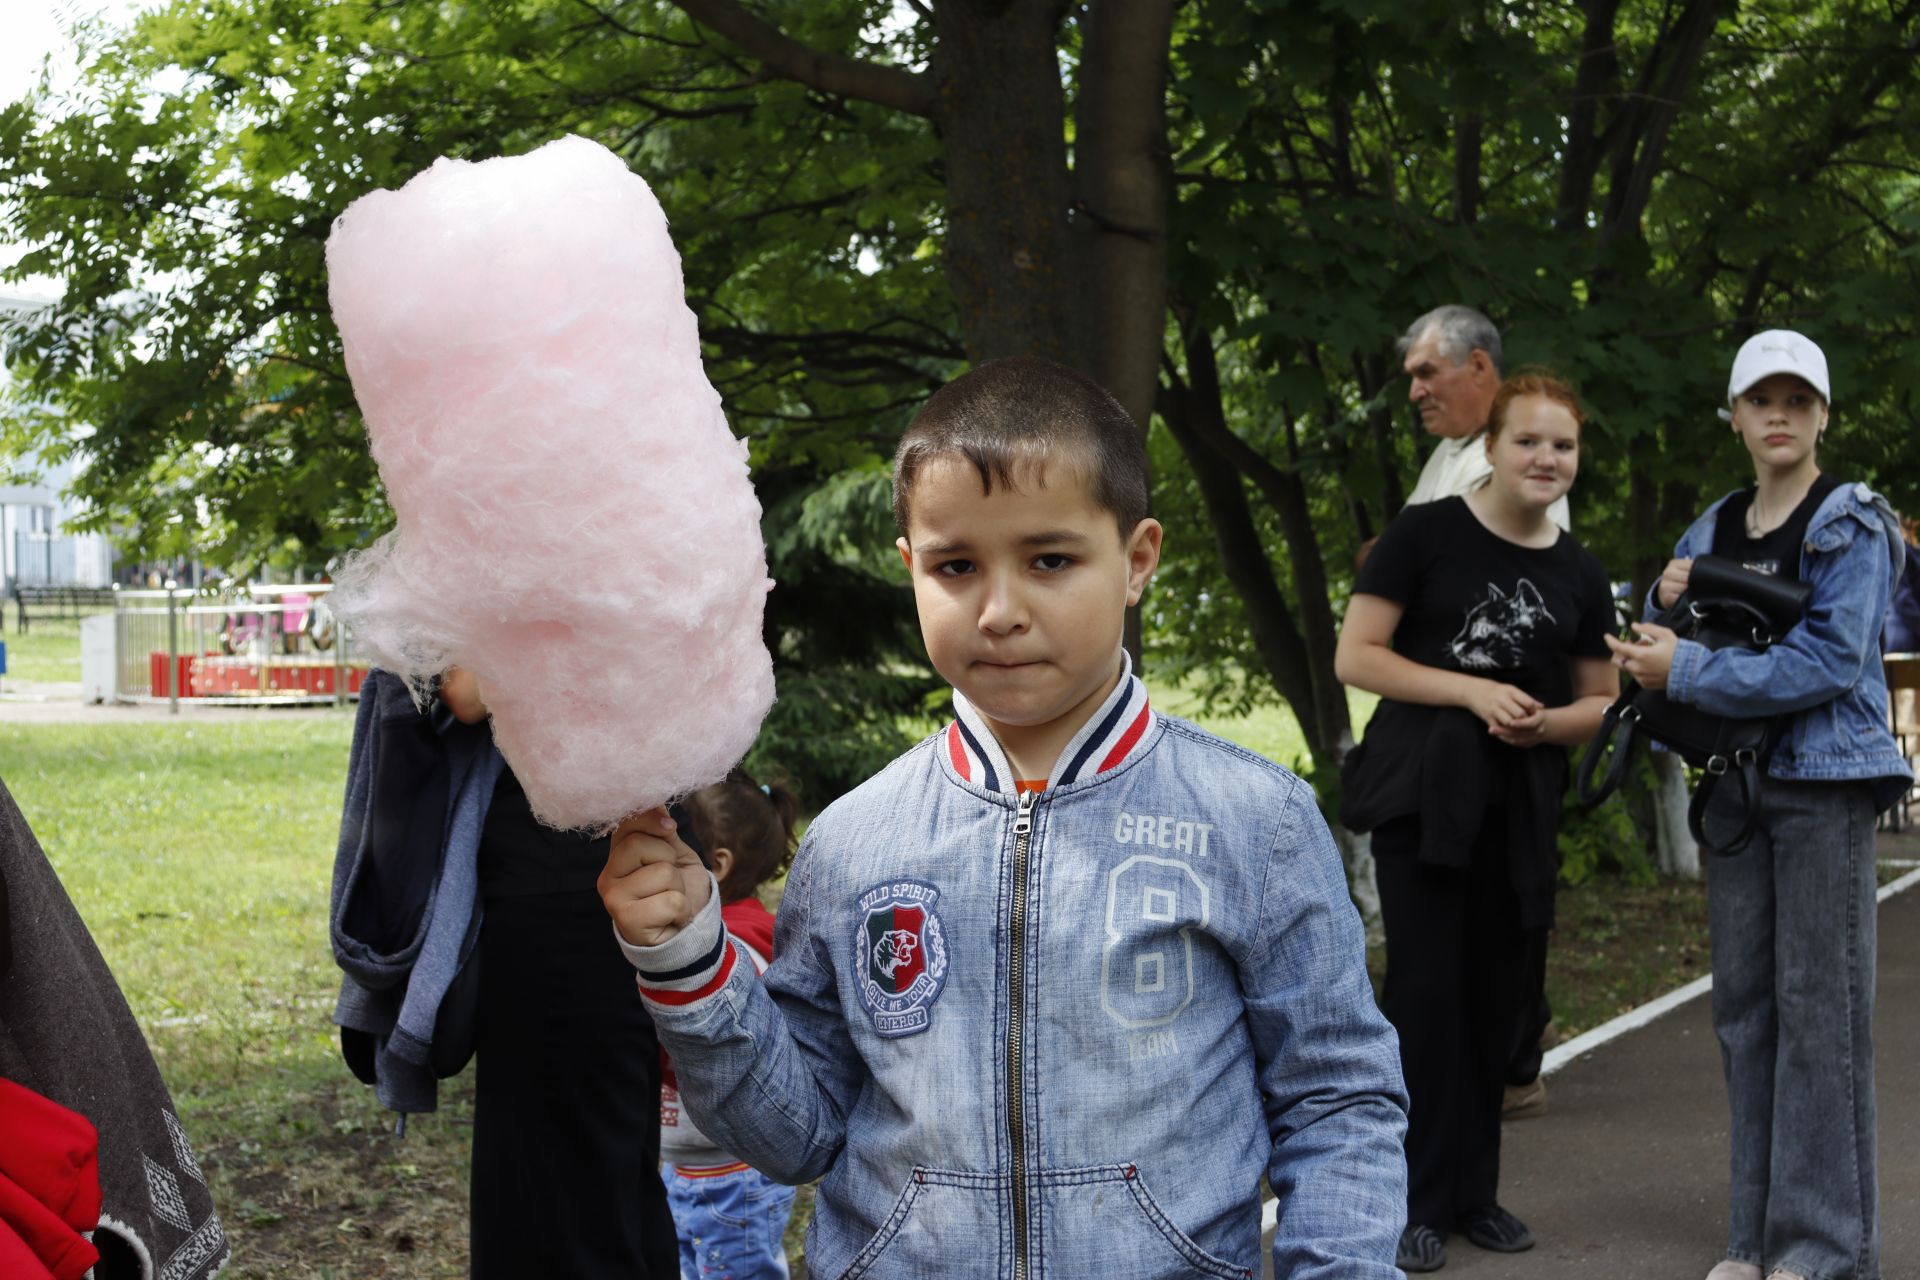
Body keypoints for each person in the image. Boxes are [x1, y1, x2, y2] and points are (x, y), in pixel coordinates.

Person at [599, 356, 1409, 1279]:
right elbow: (800, 1135)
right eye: (956, 566)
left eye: (1050, 560)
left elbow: (1337, 1099)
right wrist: (690, 965)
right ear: (911, 569)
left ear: (1137, 559)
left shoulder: (1254, 819)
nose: (999, 610)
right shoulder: (852, 842)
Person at [1607, 330, 1909, 1280]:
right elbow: (1662, 629)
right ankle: (1754, 1239)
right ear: (1734, 415)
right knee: (1745, 1012)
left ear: (1823, 415)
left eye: (1798, 400)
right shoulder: (1713, 525)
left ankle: (1824, 1247)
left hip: (1824, 787)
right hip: (1735, 787)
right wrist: (1655, 610)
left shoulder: (1851, 519)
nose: (1779, 415)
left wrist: (1688, 663)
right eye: (1761, 399)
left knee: (1822, 1012)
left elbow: (1830, 659)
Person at [1334, 372, 1617, 1272]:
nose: (1546, 458)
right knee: (1425, 1002)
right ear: (1489, 448)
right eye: (1528, 440)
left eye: (1562, 445)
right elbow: (1358, 656)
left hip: (1519, 810)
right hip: (1423, 797)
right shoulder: (1425, 536)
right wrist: (1472, 689)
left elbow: (1601, 704)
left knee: (1499, 1006)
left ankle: (1476, 1196)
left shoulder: (1578, 570)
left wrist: (1542, 720)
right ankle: (1410, 1204)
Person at [331, 666, 679, 1278]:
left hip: (565, 882)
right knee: (610, 1165)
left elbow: (470, 688)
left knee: (565, 1180)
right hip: (621, 853)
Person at [1397, 304, 1567, 1121]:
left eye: (1428, 373)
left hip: (1499, 725)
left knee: (1508, 901)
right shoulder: (1447, 459)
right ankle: (1468, 1072)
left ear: (1480, 371)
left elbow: (1462, 591)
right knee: (1448, 912)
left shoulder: (1514, 463)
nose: (1416, 390)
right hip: (1434, 724)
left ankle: (1510, 1063)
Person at [658, 769, 799, 1280]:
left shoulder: (734, 950)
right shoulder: (709, 939)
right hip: (689, 1168)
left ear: (714, 866)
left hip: (733, 1177)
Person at [1398, 305, 1571, 532]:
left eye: (1426, 373)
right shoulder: (1449, 448)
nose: (1414, 393)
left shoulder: (1521, 458)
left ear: (1478, 366)